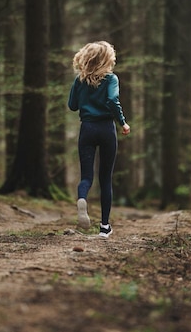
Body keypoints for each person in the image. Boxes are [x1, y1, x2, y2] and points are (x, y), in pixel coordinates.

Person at [68, 41, 130, 238]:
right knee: (105, 179)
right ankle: (104, 227)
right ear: (107, 60)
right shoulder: (111, 79)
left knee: (86, 176)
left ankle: (82, 198)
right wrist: (123, 122)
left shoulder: (79, 80)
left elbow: (72, 105)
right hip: (106, 129)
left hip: (87, 128)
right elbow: (113, 100)